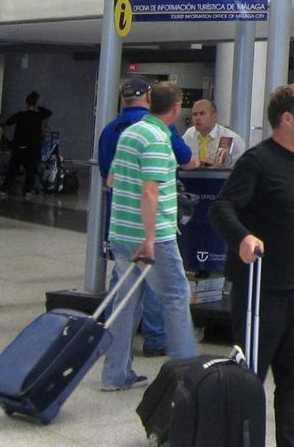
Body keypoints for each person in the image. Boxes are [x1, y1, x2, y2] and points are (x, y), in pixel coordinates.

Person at [210, 85, 294, 447]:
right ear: (287, 118)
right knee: (249, 379)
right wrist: (243, 238)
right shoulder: (256, 162)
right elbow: (222, 207)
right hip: (262, 292)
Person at [100, 80, 197, 391]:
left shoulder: (129, 133)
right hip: (152, 236)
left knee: (125, 303)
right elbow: (150, 192)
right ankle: (187, 379)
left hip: (121, 232)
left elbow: (111, 180)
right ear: (176, 108)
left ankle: (115, 375)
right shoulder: (158, 137)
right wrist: (151, 238)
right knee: (176, 296)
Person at [0, 90, 51, 195]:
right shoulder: (38, 116)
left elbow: (8, 122)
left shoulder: (21, 115)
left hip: (20, 147)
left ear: (26, 103)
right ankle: (28, 191)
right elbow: (48, 112)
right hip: (33, 147)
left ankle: (3, 190)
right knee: (30, 171)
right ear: (36, 103)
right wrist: (38, 107)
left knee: (13, 170)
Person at [183, 98, 244, 168]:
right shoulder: (189, 134)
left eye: (202, 114)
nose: (197, 118)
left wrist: (217, 165)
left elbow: (243, 167)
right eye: (195, 114)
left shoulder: (229, 137)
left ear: (214, 116)